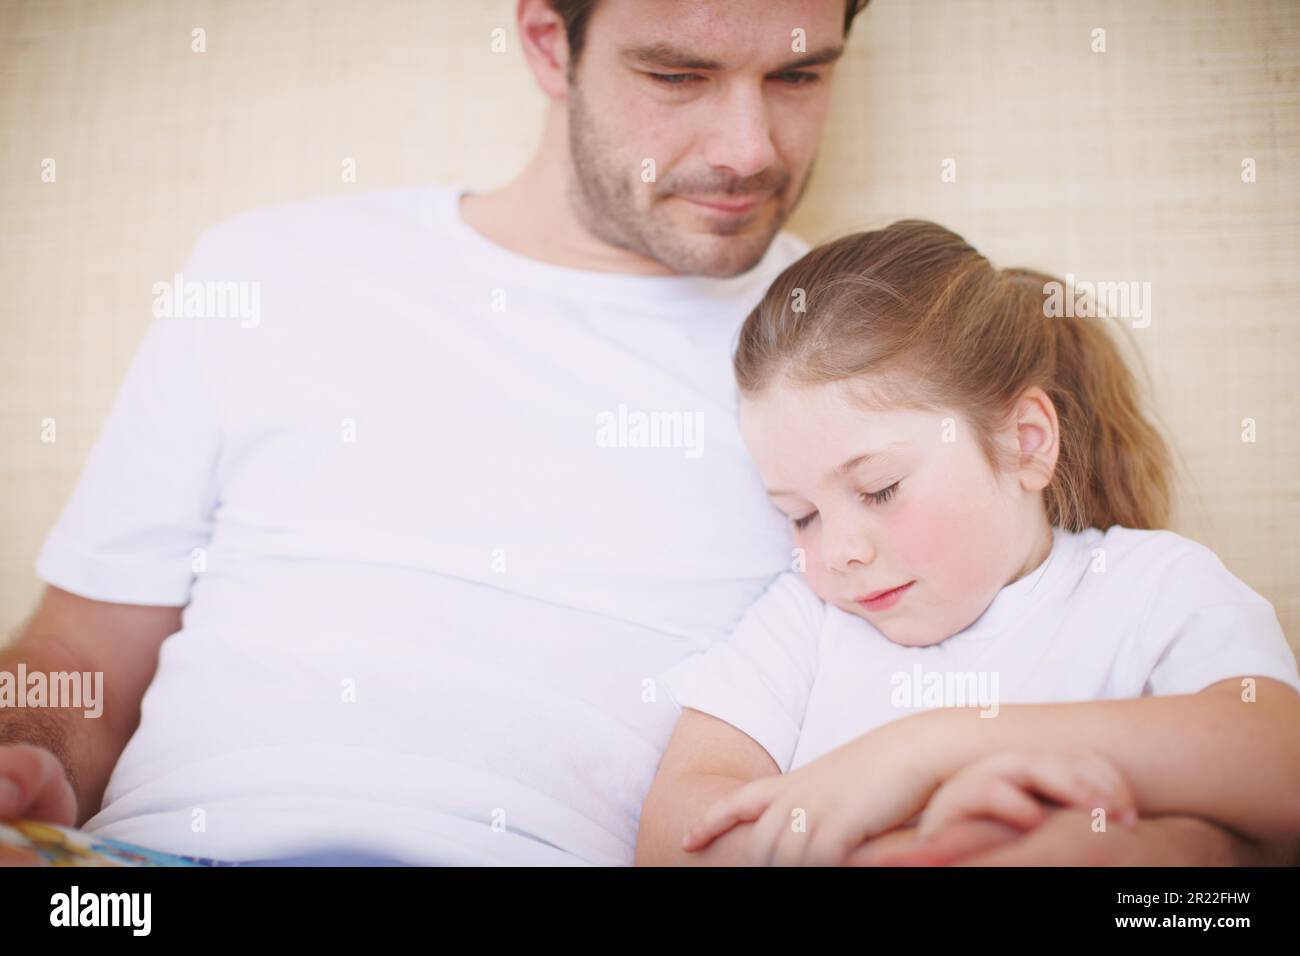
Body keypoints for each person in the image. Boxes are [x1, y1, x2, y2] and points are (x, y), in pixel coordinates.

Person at [1, 0, 1290, 867]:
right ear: (548, 40)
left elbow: (1191, 788)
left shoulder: (852, 362)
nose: (746, 145)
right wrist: (22, 753)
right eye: (677, 75)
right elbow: (77, 656)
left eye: (798, 76)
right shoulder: (271, 269)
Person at [635, 220, 1300, 865]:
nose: (840, 551)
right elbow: (672, 837)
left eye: (880, 488)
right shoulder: (806, 625)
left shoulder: (1149, 587)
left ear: (1025, 441)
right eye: (801, 513)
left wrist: (928, 748)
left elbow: (1279, 761)